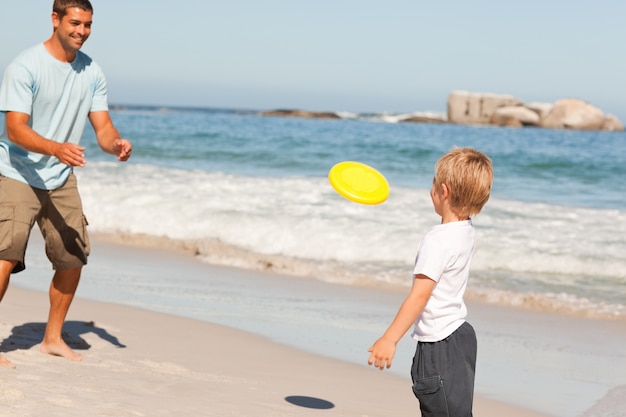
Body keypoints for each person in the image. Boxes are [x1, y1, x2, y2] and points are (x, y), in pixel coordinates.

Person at [0, 0, 132, 368]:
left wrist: (116, 144)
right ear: (55, 19)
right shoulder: (25, 66)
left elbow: (103, 128)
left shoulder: (92, 72)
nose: (82, 31)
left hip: (60, 178)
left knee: (72, 256)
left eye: (88, 24)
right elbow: (15, 129)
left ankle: (52, 338)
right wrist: (56, 148)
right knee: (4, 256)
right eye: (75, 22)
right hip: (17, 173)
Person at [367, 147, 493, 417]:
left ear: (443, 192)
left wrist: (389, 339)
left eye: (433, 184)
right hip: (462, 336)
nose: (430, 189)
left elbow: (419, 296)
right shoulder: (466, 230)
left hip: (439, 346)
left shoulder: (437, 240)